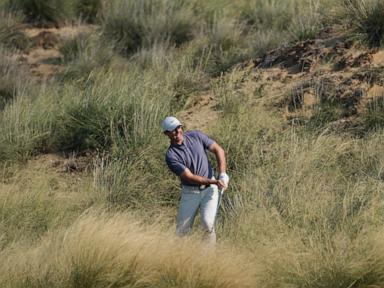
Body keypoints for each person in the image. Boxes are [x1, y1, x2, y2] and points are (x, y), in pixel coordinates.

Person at [162, 116, 229, 243]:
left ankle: (208, 259)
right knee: (181, 231)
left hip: (210, 190)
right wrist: (214, 182)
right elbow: (190, 177)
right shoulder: (171, 155)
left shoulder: (196, 135)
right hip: (190, 192)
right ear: (166, 133)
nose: (177, 132)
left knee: (208, 224)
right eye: (173, 130)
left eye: (179, 128)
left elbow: (218, 150)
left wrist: (223, 174)